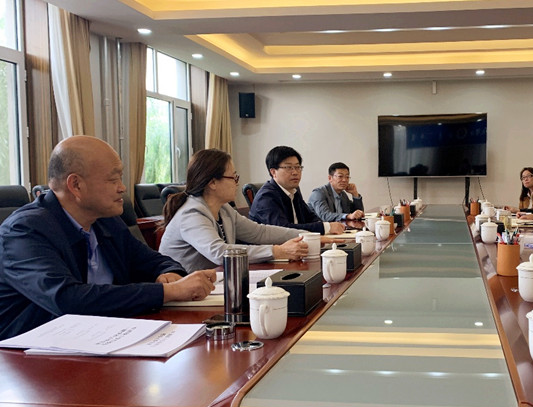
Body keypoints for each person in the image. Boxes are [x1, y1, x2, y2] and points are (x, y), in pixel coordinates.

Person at [0, 136, 216, 340]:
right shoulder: (23, 231)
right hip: (29, 353)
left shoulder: (106, 221)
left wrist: (169, 274)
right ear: (76, 185)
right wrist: (166, 292)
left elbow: (154, 260)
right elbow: (67, 299)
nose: (122, 188)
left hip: (102, 338)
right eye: (113, 179)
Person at [159, 149, 308, 272]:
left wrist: (306, 236)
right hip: (184, 289)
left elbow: (259, 232)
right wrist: (277, 251)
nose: (237, 183)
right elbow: (219, 253)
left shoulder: (224, 209)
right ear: (213, 183)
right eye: (233, 178)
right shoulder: (191, 214)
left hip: (214, 282)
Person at [249, 146, 345, 235]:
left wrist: (328, 226)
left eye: (298, 167)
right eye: (288, 167)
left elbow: (310, 218)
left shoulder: (293, 191)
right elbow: (283, 230)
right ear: (273, 172)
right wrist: (326, 227)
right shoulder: (266, 197)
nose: (295, 172)